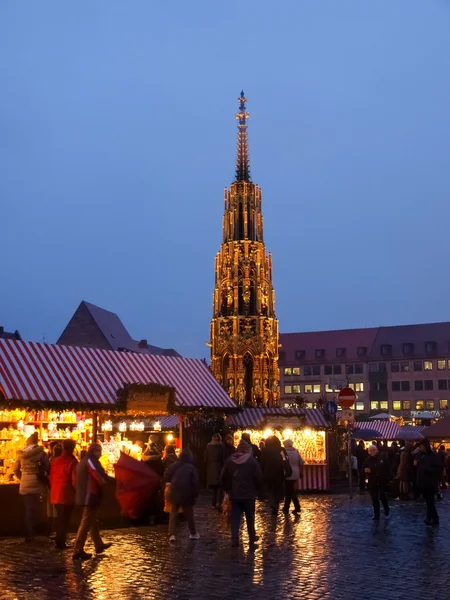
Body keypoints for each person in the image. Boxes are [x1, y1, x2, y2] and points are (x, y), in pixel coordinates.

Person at [72, 443, 112, 561]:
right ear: (94, 451)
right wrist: (112, 481)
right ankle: (78, 549)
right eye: (99, 451)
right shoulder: (91, 461)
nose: (100, 453)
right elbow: (99, 476)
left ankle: (98, 544)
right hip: (89, 496)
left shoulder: (83, 461)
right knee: (86, 522)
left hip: (84, 495)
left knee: (91, 520)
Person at [221, 439, 262, 548]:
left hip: (235, 494)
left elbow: (223, 476)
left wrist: (227, 490)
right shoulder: (252, 461)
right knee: (250, 515)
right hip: (249, 493)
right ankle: (251, 537)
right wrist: (257, 490)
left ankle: (234, 539)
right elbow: (258, 477)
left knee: (235, 516)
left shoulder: (230, 460)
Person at [14, 432, 49, 542]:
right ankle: (41, 531)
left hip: (25, 484)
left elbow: (15, 469)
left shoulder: (21, 454)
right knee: (40, 509)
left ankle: (29, 533)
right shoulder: (41, 454)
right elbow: (48, 467)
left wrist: (22, 478)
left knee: (28, 509)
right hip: (38, 484)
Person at [165, 449, 200, 543]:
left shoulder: (174, 465)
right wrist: (195, 494)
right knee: (189, 514)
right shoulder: (191, 468)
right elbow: (195, 483)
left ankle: (171, 534)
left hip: (174, 491)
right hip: (187, 493)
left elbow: (166, 476)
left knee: (173, 514)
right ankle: (193, 533)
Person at [49, 439, 78, 549]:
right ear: (72, 448)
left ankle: (59, 540)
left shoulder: (56, 461)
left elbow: (51, 477)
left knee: (60, 518)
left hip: (55, 493)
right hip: (66, 494)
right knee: (64, 519)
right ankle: (60, 542)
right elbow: (74, 481)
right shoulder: (72, 462)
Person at [415, 439, 442, 526]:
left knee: (430, 501)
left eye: (421, 446)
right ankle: (429, 517)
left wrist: (428, 470)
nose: (420, 447)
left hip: (431, 482)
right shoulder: (421, 455)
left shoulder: (434, 456)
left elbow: (439, 468)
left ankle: (434, 518)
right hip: (423, 482)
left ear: (425, 446)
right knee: (428, 501)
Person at [363, 444, 390, 520]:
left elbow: (386, 468)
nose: (372, 452)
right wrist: (365, 470)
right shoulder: (367, 459)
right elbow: (363, 467)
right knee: (374, 498)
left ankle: (386, 507)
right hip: (372, 481)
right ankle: (376, 514)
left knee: (382, 496)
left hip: (381, 480)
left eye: (373, 450)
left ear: (377, 450)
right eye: (370, 450)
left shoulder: (382, 458)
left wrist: (387, 478)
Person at [260, 436, 285, 515]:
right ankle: (276, 504)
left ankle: (272, 504)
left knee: (270, 489)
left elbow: (262, 462)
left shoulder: (264, 451)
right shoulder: (281, 450)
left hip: (268, 473)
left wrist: (261, 471)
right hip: (279, 472)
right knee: (277, 489)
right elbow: (285, 460)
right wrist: (287, 470)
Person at [282, 439, 303, 514]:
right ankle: (293, 507)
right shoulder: (296, 451)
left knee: (289, 490)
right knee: (291, 489)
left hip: (288, 472)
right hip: (296, 472)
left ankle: (288, 507)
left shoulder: (284, 452)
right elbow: (301, 462)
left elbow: (283, 462)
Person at [204, 433, 224, 509]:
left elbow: (205, 458)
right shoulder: (221, 446)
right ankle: (218, 502)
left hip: (211, 467)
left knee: (214, 488)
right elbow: (223, 457)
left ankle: (213, 503)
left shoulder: (208, 446)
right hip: (219, 467)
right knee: (219, 487)